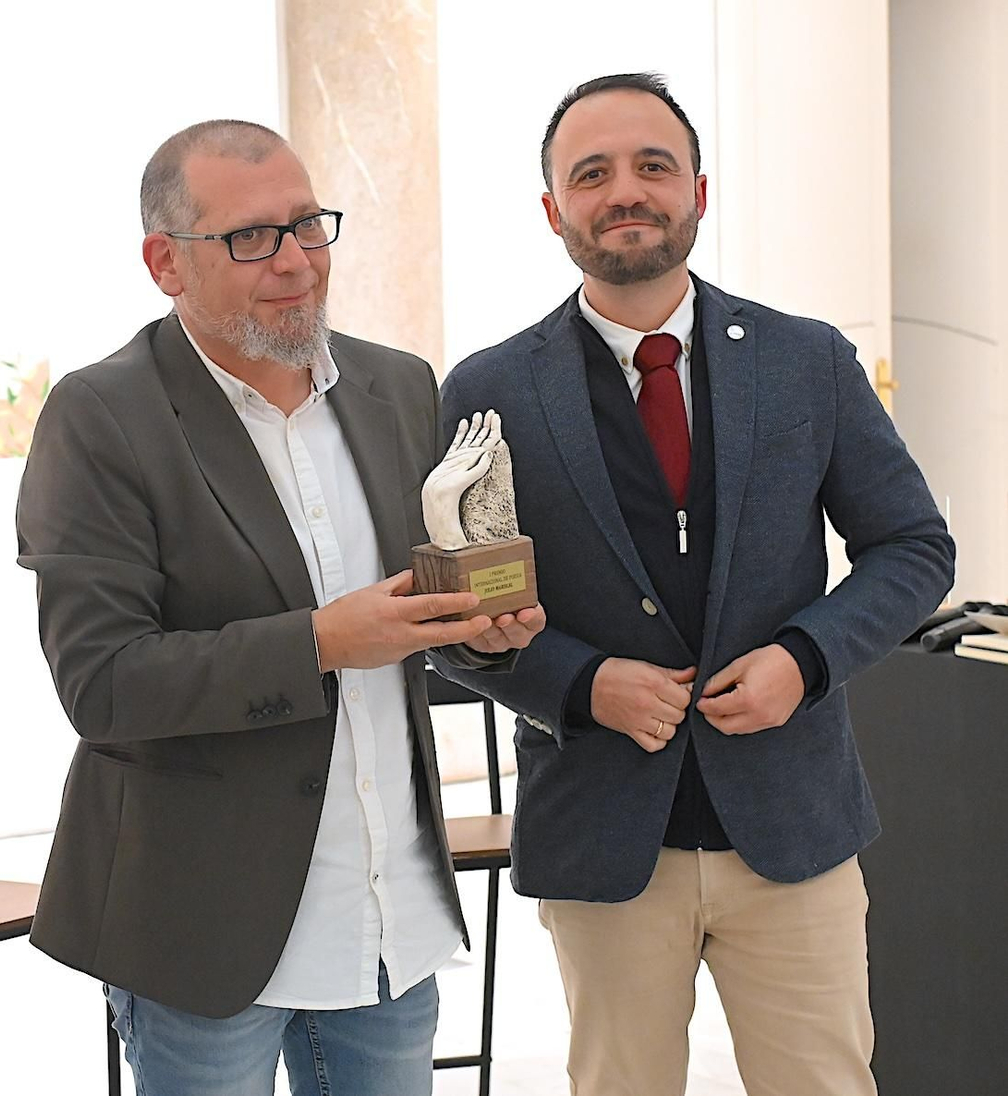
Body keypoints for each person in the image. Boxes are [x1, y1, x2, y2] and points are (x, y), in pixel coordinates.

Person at [432, 74, 955, 1095]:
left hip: (794, 828)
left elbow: (912, 547)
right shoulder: (487, 390)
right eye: (591, 174)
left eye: (652, 166)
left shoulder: (807, 361)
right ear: (552, 210)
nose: (624, 191)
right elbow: (459, 617)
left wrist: (805, 660)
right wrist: (582, 684)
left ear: (699, 193)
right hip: (600, 837)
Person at [16, 119, 544, 1096]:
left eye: (307, 225)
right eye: (252, 237)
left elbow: (421, 615)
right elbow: (103, 683)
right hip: (204, 933)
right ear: (165, 263)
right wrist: (320, 643)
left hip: (388, 914)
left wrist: (488, 634)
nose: (296, 260)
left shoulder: (397, 385)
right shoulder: (102, 416)